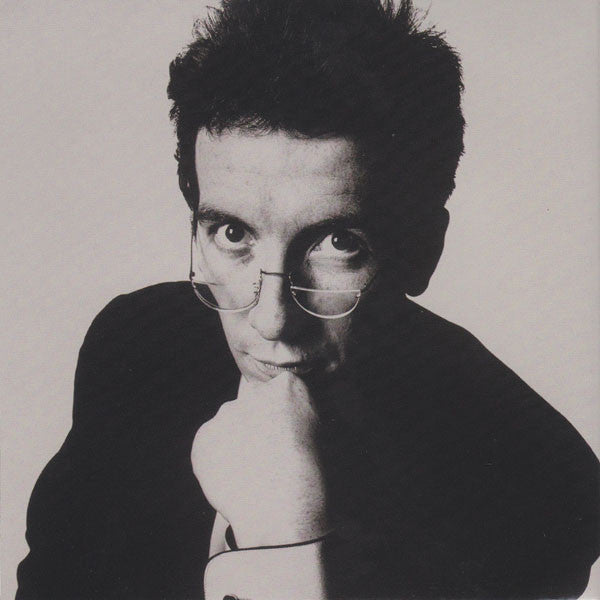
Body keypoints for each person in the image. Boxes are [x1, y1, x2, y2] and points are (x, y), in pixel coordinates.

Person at [16, 0, 599, 598]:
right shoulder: (137, 347)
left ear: (422, 249)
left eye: (338, 243)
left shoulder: (539, 487)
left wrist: (286, 542)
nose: (272, 320)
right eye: (233, 234)